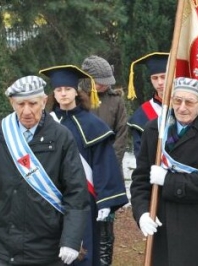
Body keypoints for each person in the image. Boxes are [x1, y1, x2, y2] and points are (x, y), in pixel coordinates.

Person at [0, 76, 90, 265]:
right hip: (7, 246)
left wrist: (71, 240)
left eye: (33, 103)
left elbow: (76, 193)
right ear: (11, 103)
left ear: (44, 101)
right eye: (20, 104)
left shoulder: (62, 137)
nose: (27, 111)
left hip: (48, 247)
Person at [130, 77, 198, 266]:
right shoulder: (155, 129)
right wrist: (142, 213)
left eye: (189, 102)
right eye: (177, 100)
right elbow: (140, 180)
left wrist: (168, 180)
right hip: (163, 227)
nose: (181, 108)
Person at [39, 65, 129, 266]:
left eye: (67, 89)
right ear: (54, 93)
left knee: (83, 250)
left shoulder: (92, 125)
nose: (63, 94)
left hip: (85, 201)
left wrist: (106, 200)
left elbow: (103, 164)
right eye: (59, 90)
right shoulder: (44, 124)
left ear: (76, 91)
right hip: (52, 197)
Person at [80, 55, 128, 266]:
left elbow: (121, 134)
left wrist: (108, 166)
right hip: (80, 170)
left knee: (105, 224)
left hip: (107, 174)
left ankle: (104, 261)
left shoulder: (116, 100)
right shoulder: (75, 96)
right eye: (99, 81)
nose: (104, 85)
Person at [127, 52, 169, 158]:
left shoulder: (187, 107)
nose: (159, 82)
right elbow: (140, 154)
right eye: (155, 78)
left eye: (163, 77)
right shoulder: (142, 114)